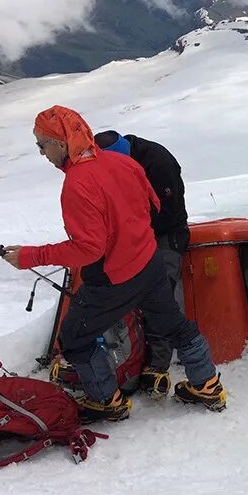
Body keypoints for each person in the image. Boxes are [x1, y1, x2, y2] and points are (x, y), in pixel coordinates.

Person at [2, 105, 226, 422]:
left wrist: (29, 256)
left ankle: (107, 400)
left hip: (113, 279)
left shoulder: (77, 184)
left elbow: (89, 250)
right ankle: (207, 385)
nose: (41, 153)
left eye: (42, 144)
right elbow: (155, 203)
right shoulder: (122, 162)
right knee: (174, 324)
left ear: (61, 142)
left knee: (74, 339)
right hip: (149, 264)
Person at [94, 129, 189, 397]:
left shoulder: (157, 162)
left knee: (160, 297)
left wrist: (131, 228)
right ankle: (131, 358)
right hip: (133, 237)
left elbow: (170, 213)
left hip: (166, 235)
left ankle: (157, 365)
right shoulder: (108, 164)